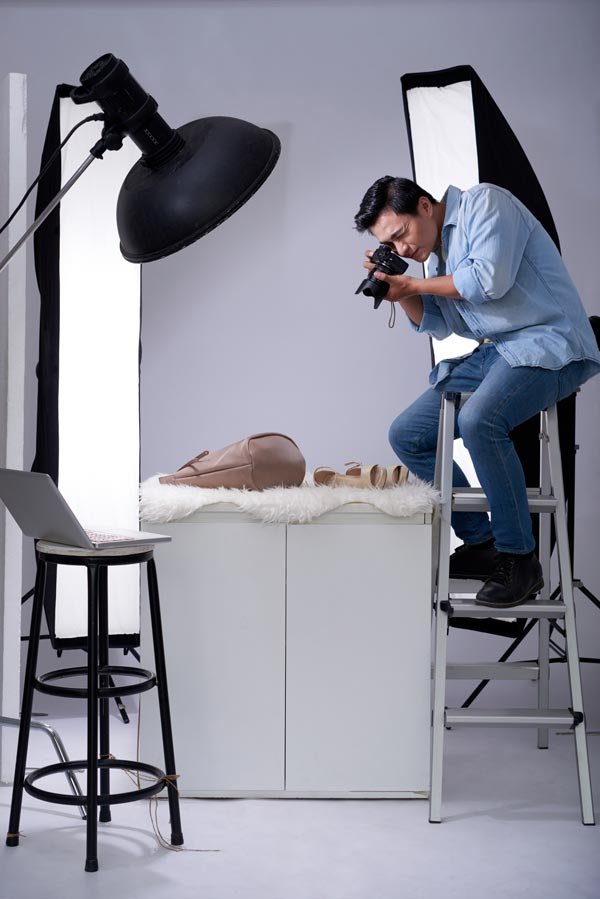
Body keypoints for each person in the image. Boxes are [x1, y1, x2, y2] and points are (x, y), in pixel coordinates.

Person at [354, 176, 600, 608]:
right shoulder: (435, 256)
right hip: (496, 351)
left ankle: (519, 558)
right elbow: (439, 323)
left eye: (401, 234)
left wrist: (414, 285)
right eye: (390, 244)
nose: (403, 249)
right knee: (408, 434)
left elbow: (487, 281)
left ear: (425, 206)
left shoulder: (486, 203)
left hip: (550, 342)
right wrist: (399, 292)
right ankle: (481, 543)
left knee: (479, 420)